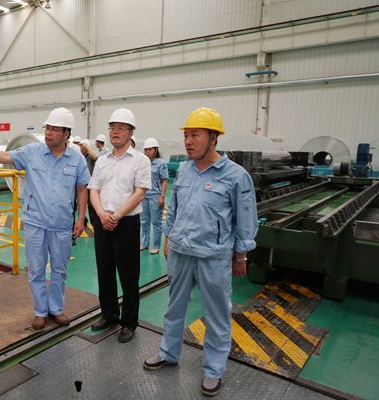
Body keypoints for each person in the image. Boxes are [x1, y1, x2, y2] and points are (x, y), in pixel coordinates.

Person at [143, 107, 258, 397]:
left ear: (214, 138)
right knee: (174, 307)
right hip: (181, 252)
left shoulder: (236, 176)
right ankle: (168, 352)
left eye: (195, 135)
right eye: (186, 135)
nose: (188, 141)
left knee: (217, 315)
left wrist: (241, 256)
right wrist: (168, 238)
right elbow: (174, 206)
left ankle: (213, 370)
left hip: (213, 256)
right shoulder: (184, 169)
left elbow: (245, 220)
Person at [0, 107, 91, 331]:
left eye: (54, 129)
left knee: (60, 270)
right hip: (35, 223)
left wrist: (80, 219)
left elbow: (82, 189)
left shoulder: (76, 159)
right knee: (36, 270)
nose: (48, 133)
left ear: (66, 134)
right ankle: (40, 312)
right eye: (47, 128)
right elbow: (6, 156)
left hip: (62, 225)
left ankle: (56, 309)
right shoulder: (32, 151)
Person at [88, 108, 151, 343]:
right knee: (104, 272)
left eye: (121, 128)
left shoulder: (141, 160)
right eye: (112, 127)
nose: (115, 131)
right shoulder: (102, 161)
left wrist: (115, 216)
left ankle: (129, 322)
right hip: (102, 221)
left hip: (126, 224)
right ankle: (109, 315)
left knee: (128, 275)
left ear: (131, 132)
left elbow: (139, 193)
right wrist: (101, 214)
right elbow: (94, 189)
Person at [140, 138, 169, 255]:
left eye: (150, 149)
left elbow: (164, 181)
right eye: (146, 150)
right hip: (144, 196)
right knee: (144, 221)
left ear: (155, 150)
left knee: (156, 222)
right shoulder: (143, 163)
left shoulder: (161, 164)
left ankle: (156, 245)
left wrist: (162, 197)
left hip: (156, 196)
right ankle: (144, 243)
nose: (147, 152)